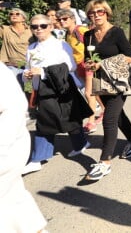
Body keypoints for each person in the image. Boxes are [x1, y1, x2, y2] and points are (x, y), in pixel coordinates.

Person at [21, 14, 92, 175]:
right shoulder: (31, 48)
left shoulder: (61, 45)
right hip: (42, 90)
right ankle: (38, 158)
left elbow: (71, 66)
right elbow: (28, 66)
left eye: (43, 26)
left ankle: (79, 144)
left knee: (69, 119)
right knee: (45, 122)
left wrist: (45, 71)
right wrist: (27, 74)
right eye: (34, 26)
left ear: (51, 27)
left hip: (61, 88)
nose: (38, 29)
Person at [83, 0, 131, 181]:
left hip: (119, 81)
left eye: (99, 12)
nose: (96, 16)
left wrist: (103, 64)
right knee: (118, 116)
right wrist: (90, 64)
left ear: (107, 13)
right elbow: (88, 58)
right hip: (101, 82)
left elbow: (130, 57)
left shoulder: (116, 32)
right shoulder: (88, 35)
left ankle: (104, 162)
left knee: (109, 119)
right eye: (92, 13)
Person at [0, 61, 47, 232]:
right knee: (13, 201)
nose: (38, 31)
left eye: (40, 29)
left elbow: (14, 108)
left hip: (7, 148)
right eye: (35, 30)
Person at [56, 8, 102, 134]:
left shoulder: (80, 30)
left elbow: (95, 42)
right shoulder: (68, 34)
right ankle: (105, 110)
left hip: (87, 63)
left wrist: (94, 60)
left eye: (65, 19)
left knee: (88, 93)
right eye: (60, 20)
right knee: (92, 92)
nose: (62, 21)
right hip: (78, 66)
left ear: (72, 19)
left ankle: (91, 122)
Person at [0, 8, 32, 83]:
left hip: (28, 67)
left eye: (17, 14)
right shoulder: (5, 30)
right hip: (11, 67)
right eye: (11, 14)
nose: (14, 15)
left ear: (23, 18)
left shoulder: (31, 30)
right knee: (13, 91)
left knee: (28, 90)